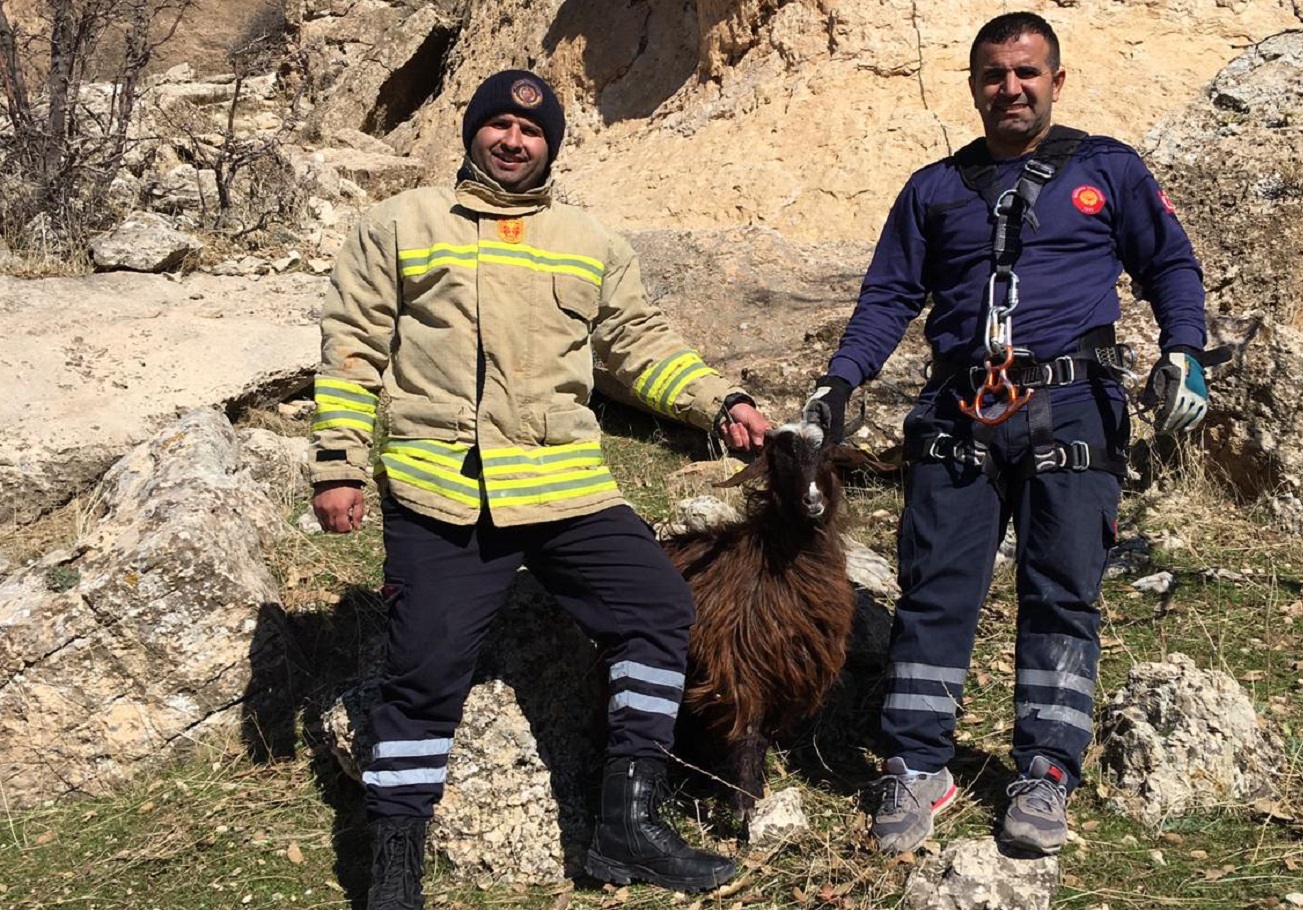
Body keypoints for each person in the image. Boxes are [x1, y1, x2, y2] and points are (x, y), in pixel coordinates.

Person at [309, 69, 771, 908]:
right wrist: (339, 463)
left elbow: (638, 343)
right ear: (473, 132)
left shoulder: (587, 239)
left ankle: (626, 825)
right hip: (445, 488)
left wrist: (720, 402)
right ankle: (395, 868)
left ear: (550, 144)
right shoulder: (400, 223)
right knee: (425, 670)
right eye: (498, 127)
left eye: (532, 133)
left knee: (658, 609)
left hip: (564, 486)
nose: (513, 142)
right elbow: (351, 348)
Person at [803, 12, 1213, 857]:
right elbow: (888, 297)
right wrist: (839, 383)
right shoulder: (934, 189)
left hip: (1073, 406)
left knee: (1062, 591)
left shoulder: (1108, 170)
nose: (1011, 87)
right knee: (933, 592)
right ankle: (919, 766)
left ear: (1056, 82)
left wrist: (1185, 350)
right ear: (974, 84)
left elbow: (1169, 262)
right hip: (959, 410)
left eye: (1027, 72)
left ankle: (1046, 771)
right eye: (994, 74)